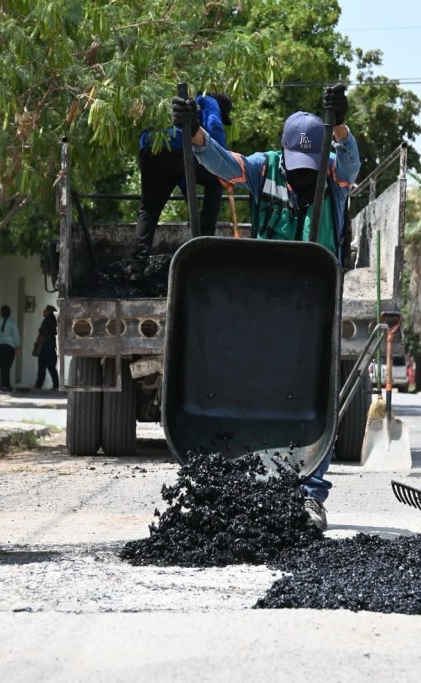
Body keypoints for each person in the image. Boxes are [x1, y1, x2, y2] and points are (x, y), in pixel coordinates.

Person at [173, 84, 360, 531]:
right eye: (296, 168)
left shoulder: (334, 173)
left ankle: (311, 496)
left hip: (315, 302)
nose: (300, 179)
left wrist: (339, 127)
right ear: (282, 153)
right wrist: (195, 133)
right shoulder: (262, 169)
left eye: (308, 169)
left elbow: (350, 160)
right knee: (255, 390)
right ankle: (243, 484)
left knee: (315, 402)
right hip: (263, 301)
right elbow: (221, 162)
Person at [127, 92, 233, 280]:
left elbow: (180, 171)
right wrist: (223, 166)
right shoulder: (209, 99)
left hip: (152, 148)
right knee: (216, 182)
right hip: (180, 146)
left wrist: (186, 190)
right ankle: (203, 249)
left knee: (149, 209)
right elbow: (215, 126)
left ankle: (137, 267)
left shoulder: (169, 97)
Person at [33, 304, 60, 392]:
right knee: (52, 367)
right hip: (54, 347)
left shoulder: (46, 321)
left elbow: (41, 334)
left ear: (49, 312)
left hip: (45, 347)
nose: (43, 312)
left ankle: (38, 385)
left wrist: (37, 345)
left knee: (42, 367)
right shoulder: (56, 321)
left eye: (45, 310)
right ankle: (56, 385)